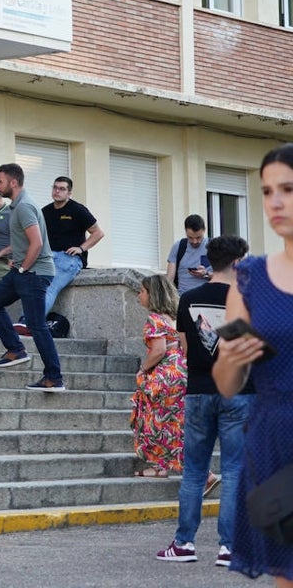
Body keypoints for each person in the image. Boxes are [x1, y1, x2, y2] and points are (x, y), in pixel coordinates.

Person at [213, 143, 293, 584]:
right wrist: (230, 358)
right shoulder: (249, 279)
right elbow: (227, 386)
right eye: (266, 191)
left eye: (288, 188)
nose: (275, 202)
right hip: (274, 442)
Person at [156, 234, 251, 566]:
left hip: (198, 389)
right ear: (238, 262)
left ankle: (184, 543)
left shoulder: (188, 298)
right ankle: (229, 548)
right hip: (239, 391)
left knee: (195, 470)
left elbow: (182, 347)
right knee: (235, 469)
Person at [0, 162, 65, 392]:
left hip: (34, 273)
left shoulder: (24, 207)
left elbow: (37, 242)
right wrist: (16, 259)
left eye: (0, 181)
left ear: (13, 182)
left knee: (37, 325)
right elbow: (24, 240)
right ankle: (15, 349)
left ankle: (54, 377)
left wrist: (23, 267)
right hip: (22, 270)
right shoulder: (16, 206)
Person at [130, 274, 186, 478]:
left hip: (164, 376)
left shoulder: (154, 319)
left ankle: (202, 474)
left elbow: (158, 350)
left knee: (155, 421)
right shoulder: (175, 318)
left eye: (142, 291)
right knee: (173, 423)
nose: (139, 295)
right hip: (181, 371)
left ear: (153, 294)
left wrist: (143, 369)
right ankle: (160, 466)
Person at [40, 176, 105, 312]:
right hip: (48, 257)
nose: (57, 191)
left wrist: (81, 248)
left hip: (69, 258)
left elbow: (98, 233)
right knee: (33, 288)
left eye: (62, 189)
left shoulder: (78, 210)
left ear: (69, 193)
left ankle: (30, 325)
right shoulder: (45, 211)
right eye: (55, 188)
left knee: (49, 288)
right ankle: (23, 325)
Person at [166, 214, 212, 295]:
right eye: (190, 237)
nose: (195, 241)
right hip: (182, 298)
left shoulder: (214, 247)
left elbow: (226, 277)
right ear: (185, 231)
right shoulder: (178, 246)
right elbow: (169, 278)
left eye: (198, 237)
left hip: (206, 298)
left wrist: (206, 274)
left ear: (204, 230)